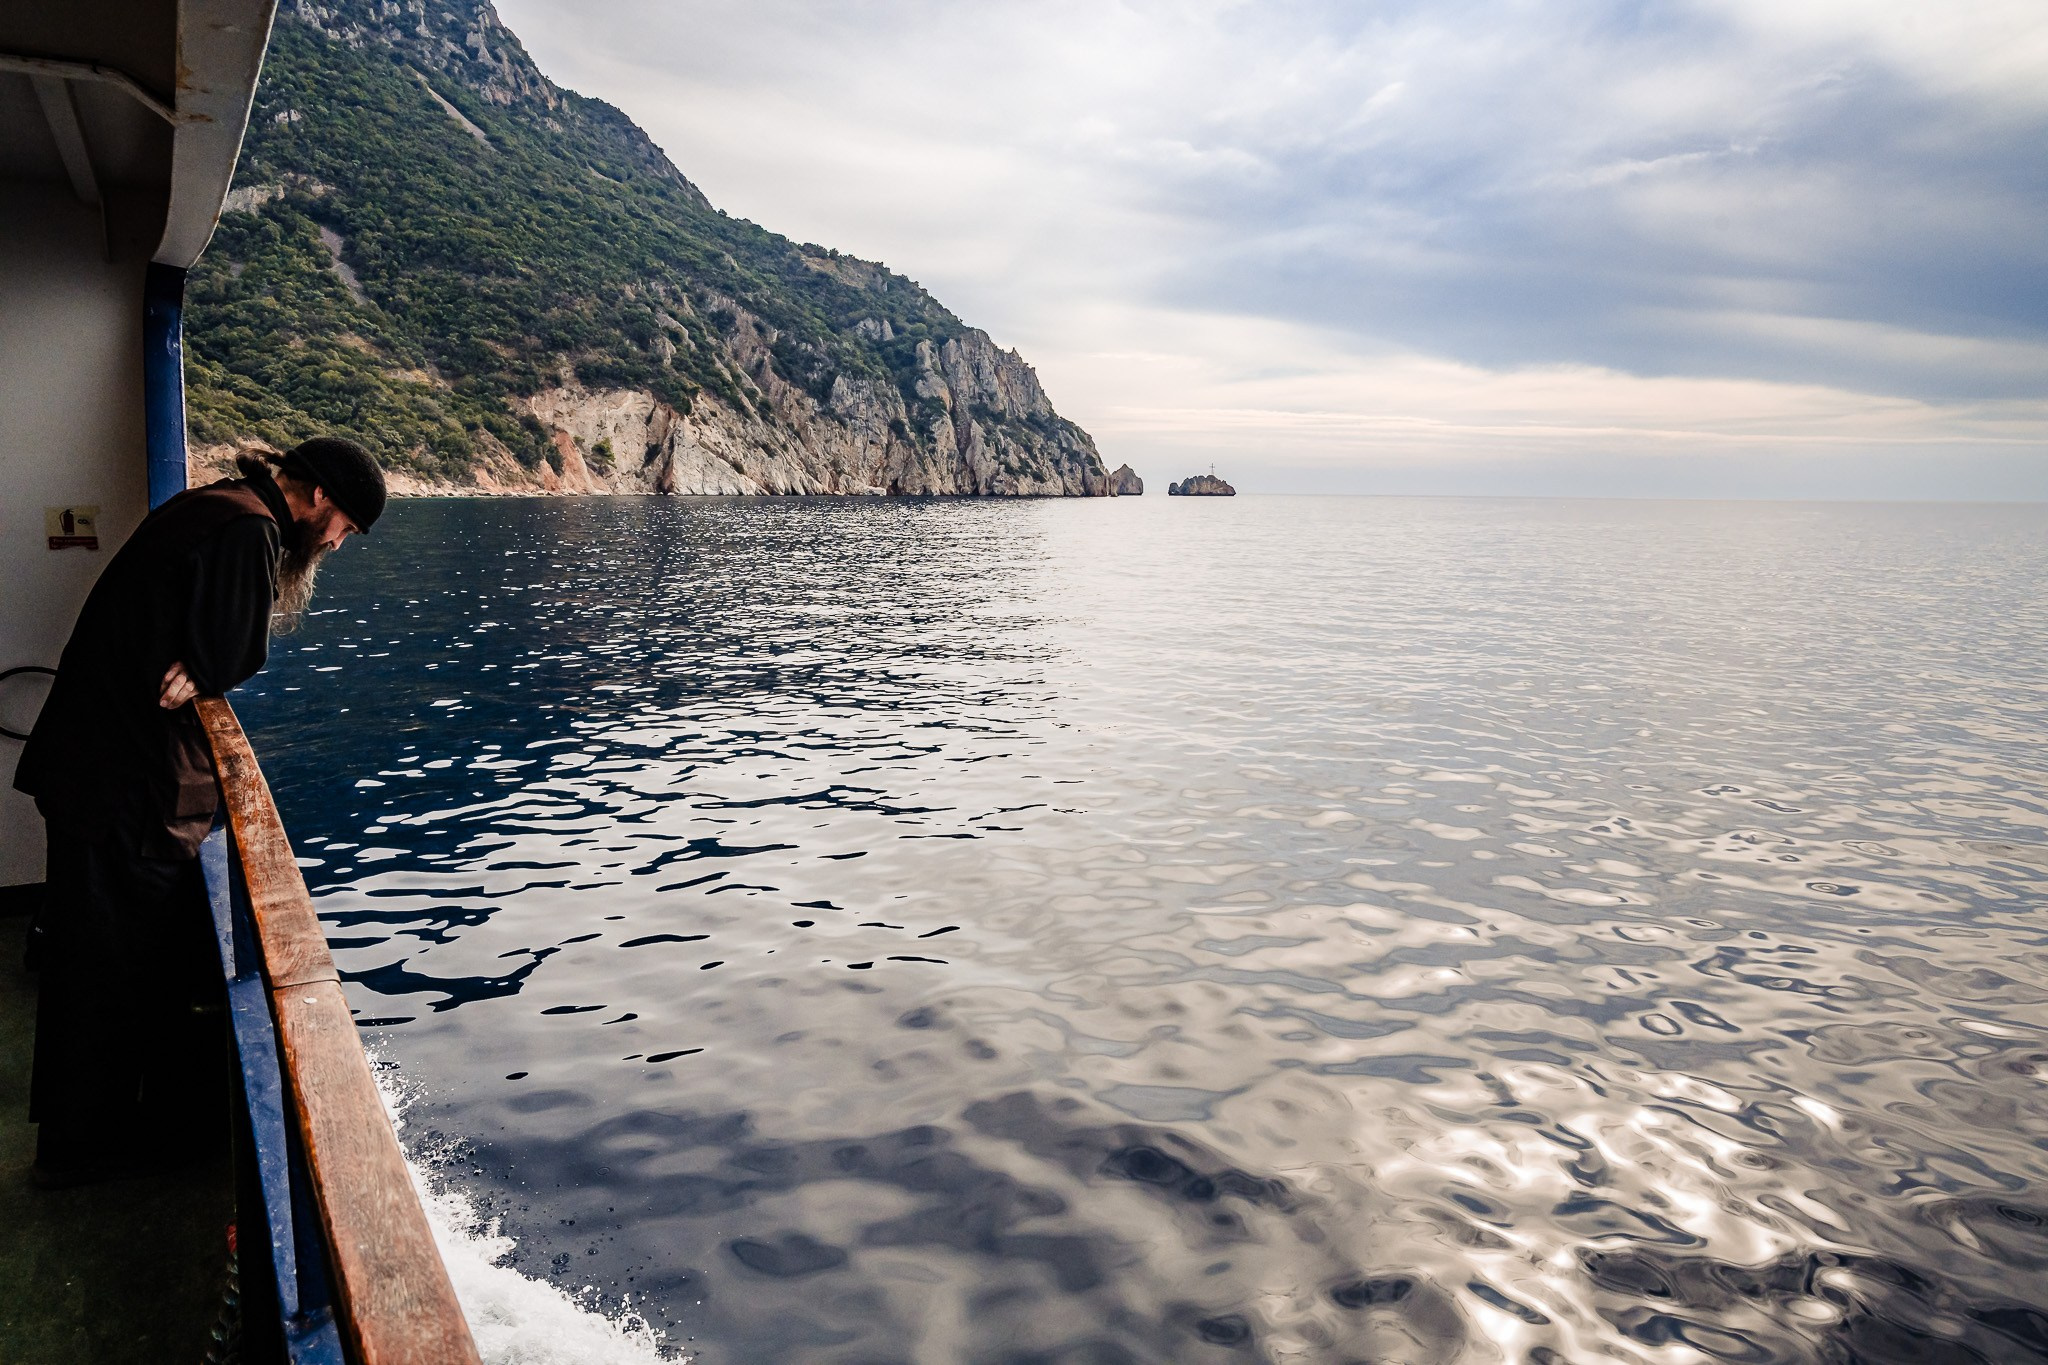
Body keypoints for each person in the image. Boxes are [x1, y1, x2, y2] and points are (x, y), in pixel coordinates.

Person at [13, 437, 385, 1186]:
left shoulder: (220, 507)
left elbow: (209, 652)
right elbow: (234, 650)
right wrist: (211, 663)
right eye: (345, 525)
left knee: (97, 966)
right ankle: (79, 1154)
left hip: (98, 775)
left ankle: (88, 1137)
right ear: (317, 498)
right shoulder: (248, 530)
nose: (339, 543)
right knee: (102, 973)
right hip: (116, 791)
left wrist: (205, 663)